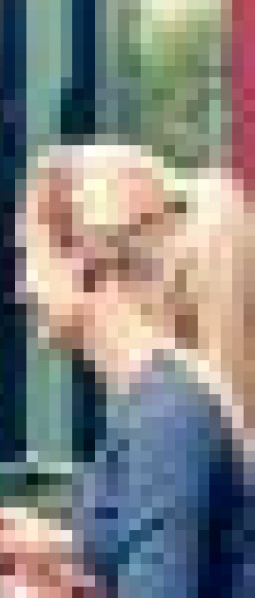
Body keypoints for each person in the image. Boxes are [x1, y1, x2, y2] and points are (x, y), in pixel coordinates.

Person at [22, 144, 253, 597]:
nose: (21, 287)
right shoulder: (152, 402)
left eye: (27, 254)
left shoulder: (168, 418)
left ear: (80, 259)